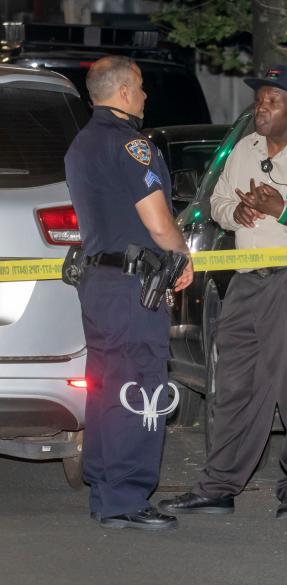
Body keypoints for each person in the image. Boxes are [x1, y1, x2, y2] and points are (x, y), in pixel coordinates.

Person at [158, 66, 287, 520]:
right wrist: (237, 212)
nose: (261, 108)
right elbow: (215, 202)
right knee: (233, 383)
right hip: (246, 278)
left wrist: (283, 209)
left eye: (272, 100)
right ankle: (219, 485)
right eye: (258, 100)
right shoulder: (244, 149)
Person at [64, 55, 193, 530]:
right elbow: (158, 222)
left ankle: (104, 487)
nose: (144, 96)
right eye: (139, 87)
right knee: (139, 384)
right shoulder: (133, 145)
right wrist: (184, 256)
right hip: (133, 287)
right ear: (122, 93)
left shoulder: (81, 144)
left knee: (104, 387)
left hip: (98, 283)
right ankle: (126, 497)